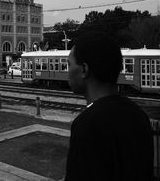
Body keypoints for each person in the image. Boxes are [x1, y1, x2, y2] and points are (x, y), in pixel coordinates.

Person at [65, 31, 153, 181]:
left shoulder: (87, 124)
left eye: (69, 64)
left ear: (84, 69)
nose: (67, 71)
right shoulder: (139, 114)